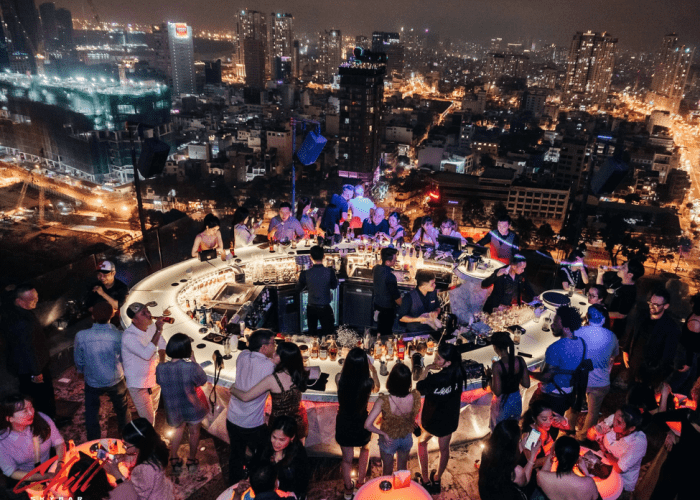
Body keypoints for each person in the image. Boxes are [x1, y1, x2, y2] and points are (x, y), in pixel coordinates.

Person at [226, 329, 277, 486]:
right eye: (273, 343)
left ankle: (233, 486)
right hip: (251, 424)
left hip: (232, 417)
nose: (275, 346)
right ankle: (255, 480)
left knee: (236, 454)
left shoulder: (242, 356)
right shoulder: (269, 367)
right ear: (263, 347)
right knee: (263, 453)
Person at [74, 301, 130, 441]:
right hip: (115, 378)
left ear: (92, 316)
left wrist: (81, 371)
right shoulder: (119, 335)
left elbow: (78, 359)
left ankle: (94, 443)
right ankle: (126, 439)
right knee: (122, 408)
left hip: (92, 380)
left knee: (91, 412)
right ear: (112, 315)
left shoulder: (81, 335)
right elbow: (124, 358)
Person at [230, 342, 309, 440]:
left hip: (279, 427)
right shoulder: (300, 373)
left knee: (278, 451)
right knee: (295, 452)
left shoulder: (272, 379)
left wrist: (232, 389)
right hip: (298, 422)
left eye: (276, 353)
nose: (273, 354)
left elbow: (245, 397)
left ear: (282, 359)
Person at [0, 285, 57, 419]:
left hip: (22, 366)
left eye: (36, 297)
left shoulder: (12, 309)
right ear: (19, 301)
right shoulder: (22, 322)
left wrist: (7, 290)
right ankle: (47, 422)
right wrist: (36, 372)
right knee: (42, 397)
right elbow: (28, 348)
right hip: (31, 368)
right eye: (32, 300)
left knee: (35, 394)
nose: (36, 301)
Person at [416, 342, 466, 494]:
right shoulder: (459, 373)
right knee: (444, 449)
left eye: (439, 358)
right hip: (449, 420)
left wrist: (427, 368)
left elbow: (419, 387)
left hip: (432, 420)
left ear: (448, 362)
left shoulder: (436, 379)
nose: (435, 360)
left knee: (421, 442)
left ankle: (425, 480)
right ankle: (437, 479)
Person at [155, 334, 208, 475]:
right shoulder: (190, 367)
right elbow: (202, 380)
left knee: (178, 430)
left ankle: (173, 459)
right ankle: (191, 460)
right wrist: (194, 361)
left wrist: (161, 359)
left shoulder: (161, 368)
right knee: (194, 432)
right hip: (192, 407)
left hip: (174, 407)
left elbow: (160, 381)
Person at [335, 348, 380, 498]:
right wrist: (373, 369)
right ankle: (361, 482)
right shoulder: (368, 383)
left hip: (344, 423)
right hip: (362, 422)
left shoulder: (339, 378)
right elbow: (378, 386)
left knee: (346, 459)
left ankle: (348, 489)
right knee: (365, 449)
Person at [570, 304, 619, 441]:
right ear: (604, 319)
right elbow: (612, 358)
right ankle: (582, 438)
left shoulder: (577, 332)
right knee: (593, 412)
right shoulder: (612, 337)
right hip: (600, 381)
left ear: (587, 317)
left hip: (579, 378)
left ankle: (568, 430)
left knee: (573, 407)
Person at [365, 363, 421, 477]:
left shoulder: (383, 401)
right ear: (408, 382)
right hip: (406, 437)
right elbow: (413, 415)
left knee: (387, 471)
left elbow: (367, 425)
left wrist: (383, 434)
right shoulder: (415, 397)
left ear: (391, 380)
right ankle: (400, 493)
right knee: (402, 470)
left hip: (389, 439)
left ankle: (387, 492)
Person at [648, 378, 700, 500]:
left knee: (661, 495)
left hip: (676, 464)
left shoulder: (687, 414)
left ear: (695, 394)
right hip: (695, 476)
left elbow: (658, 418)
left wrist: (671, 432)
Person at [529, 305, 585, 417]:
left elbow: (547, 377)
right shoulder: (581, 342)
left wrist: (527, 373)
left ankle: (534, 435)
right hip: (567, 394)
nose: (552, 325)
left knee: (539, 425)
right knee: (554, 423)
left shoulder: (555, 348)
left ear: (566, 327)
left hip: (551, 396)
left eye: (555, 322)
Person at [0, 395, 65, 487]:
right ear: (10, 418)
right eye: (25, 411)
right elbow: (11, 472)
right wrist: (44, 477)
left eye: (31, 407)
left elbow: (59, 443)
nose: (31, 413)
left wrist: (60, 463)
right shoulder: (3, 441)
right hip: (25, 477)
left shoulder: (42, 419)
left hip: (50, 467)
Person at [103, 419, 174, 500]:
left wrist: (116, 473)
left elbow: (132, 496)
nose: (124, 447)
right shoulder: (154, 448)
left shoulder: (146, 468)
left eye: (126, 444)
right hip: (160, 490)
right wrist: (124, 457)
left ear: (138, 443)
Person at [623, 287, 681, 385]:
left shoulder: (671, 327)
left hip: (651, 370)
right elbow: (633, 333)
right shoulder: (641, 315)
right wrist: (626, 350)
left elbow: (668, 355)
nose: (651, 306)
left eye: (656, 305)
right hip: (634, 363)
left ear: (666, 306)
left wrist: (657, 372)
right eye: (650, 303)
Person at [122, 302, 167, 424]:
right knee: (148, 420)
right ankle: (149, 442)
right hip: (139, 385)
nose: (149, 314)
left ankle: (153, 439)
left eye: (147, 310)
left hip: (154, 378)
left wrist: (162, 364)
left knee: (154, 410)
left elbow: (162, 344)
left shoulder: (150, 325)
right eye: (143, 313)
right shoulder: (129, 336)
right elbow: (146, 355)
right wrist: (158, 331)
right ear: (135, 320)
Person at [589, 405, 647, 497]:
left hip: (621, 482)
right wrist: (594, 431)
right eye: (615, 418)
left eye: (619, 422)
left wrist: (605, 450)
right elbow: (596, 431)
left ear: (631, 428)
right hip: (602, 467)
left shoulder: (637, 443)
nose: (614, 422)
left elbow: (618, 468)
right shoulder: (617, 417)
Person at [250, 416, 310, 500]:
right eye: (274, 437)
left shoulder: (298, 453)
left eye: (282, 440)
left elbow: (302, 482)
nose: (276, 443)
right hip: (266, 494)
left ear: (292, 438)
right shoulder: (264, 446)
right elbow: (254, 467)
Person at [479, 419, 539, 500]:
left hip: (487, 492)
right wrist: (532, 457)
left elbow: (505, 453)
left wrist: (520, 446)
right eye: (519, 439)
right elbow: (525, 481)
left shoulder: (488, 450)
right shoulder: (516, 471)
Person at [488, 331, 531, 430]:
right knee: (513, 428)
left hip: (502, 403)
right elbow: (526, 384)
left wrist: (489, 378)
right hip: (516, 400)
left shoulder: (497, 366)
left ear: (495, 347)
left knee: (500, 430)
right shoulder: (520, 360)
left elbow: (497, 392)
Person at [535, 436, 598, 500]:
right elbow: (594, 497)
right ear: (577, 459)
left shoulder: (540, 476)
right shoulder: (589, 483)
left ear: (556, 455)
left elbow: (543, 474)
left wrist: (551, 454)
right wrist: (585, 471)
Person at [596, 259, 644, 339]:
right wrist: (600, 274)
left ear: (630, 275)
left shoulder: (630, 292)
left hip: (611, 329)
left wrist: (601, 314)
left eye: (624, 267)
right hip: (602, 321)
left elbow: (621, 314)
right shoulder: (618, 279)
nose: (620, 267)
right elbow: (599, 289)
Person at [298, 245, 337, 338]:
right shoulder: (330, 272)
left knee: (312, 335)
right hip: (325, 308)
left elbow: (299, 288)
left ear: (310, 257)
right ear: (324, 256)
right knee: (329, 334)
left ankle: (314, 350)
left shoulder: (305, 273)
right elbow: (334, 286)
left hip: (311, 308)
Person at [520, 400, 571, 470]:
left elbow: (567, 428)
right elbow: (532, 463)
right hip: (532, 471)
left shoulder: (544, 424)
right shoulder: (533, 435)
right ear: (534, 418)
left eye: (550, 418)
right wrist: (554, 456)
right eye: (544, 419)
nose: (549, 422)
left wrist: (563, 420)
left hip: (547, 459)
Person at [372, 247, 402, 337]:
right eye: (394, 260)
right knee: (386, 333)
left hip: (377, 305)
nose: (395, 261)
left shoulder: (376, 268)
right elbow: (396, 298)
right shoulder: (390, 277)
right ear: (388, 262)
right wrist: (405, 306)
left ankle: (378, 341)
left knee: (380, 329)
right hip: (387, 310)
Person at [676, 293, 700, 394]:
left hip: (694, 354)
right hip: (689, 355)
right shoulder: (696, 322)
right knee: (683, 382)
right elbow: (690, 344)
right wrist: (688, 363)